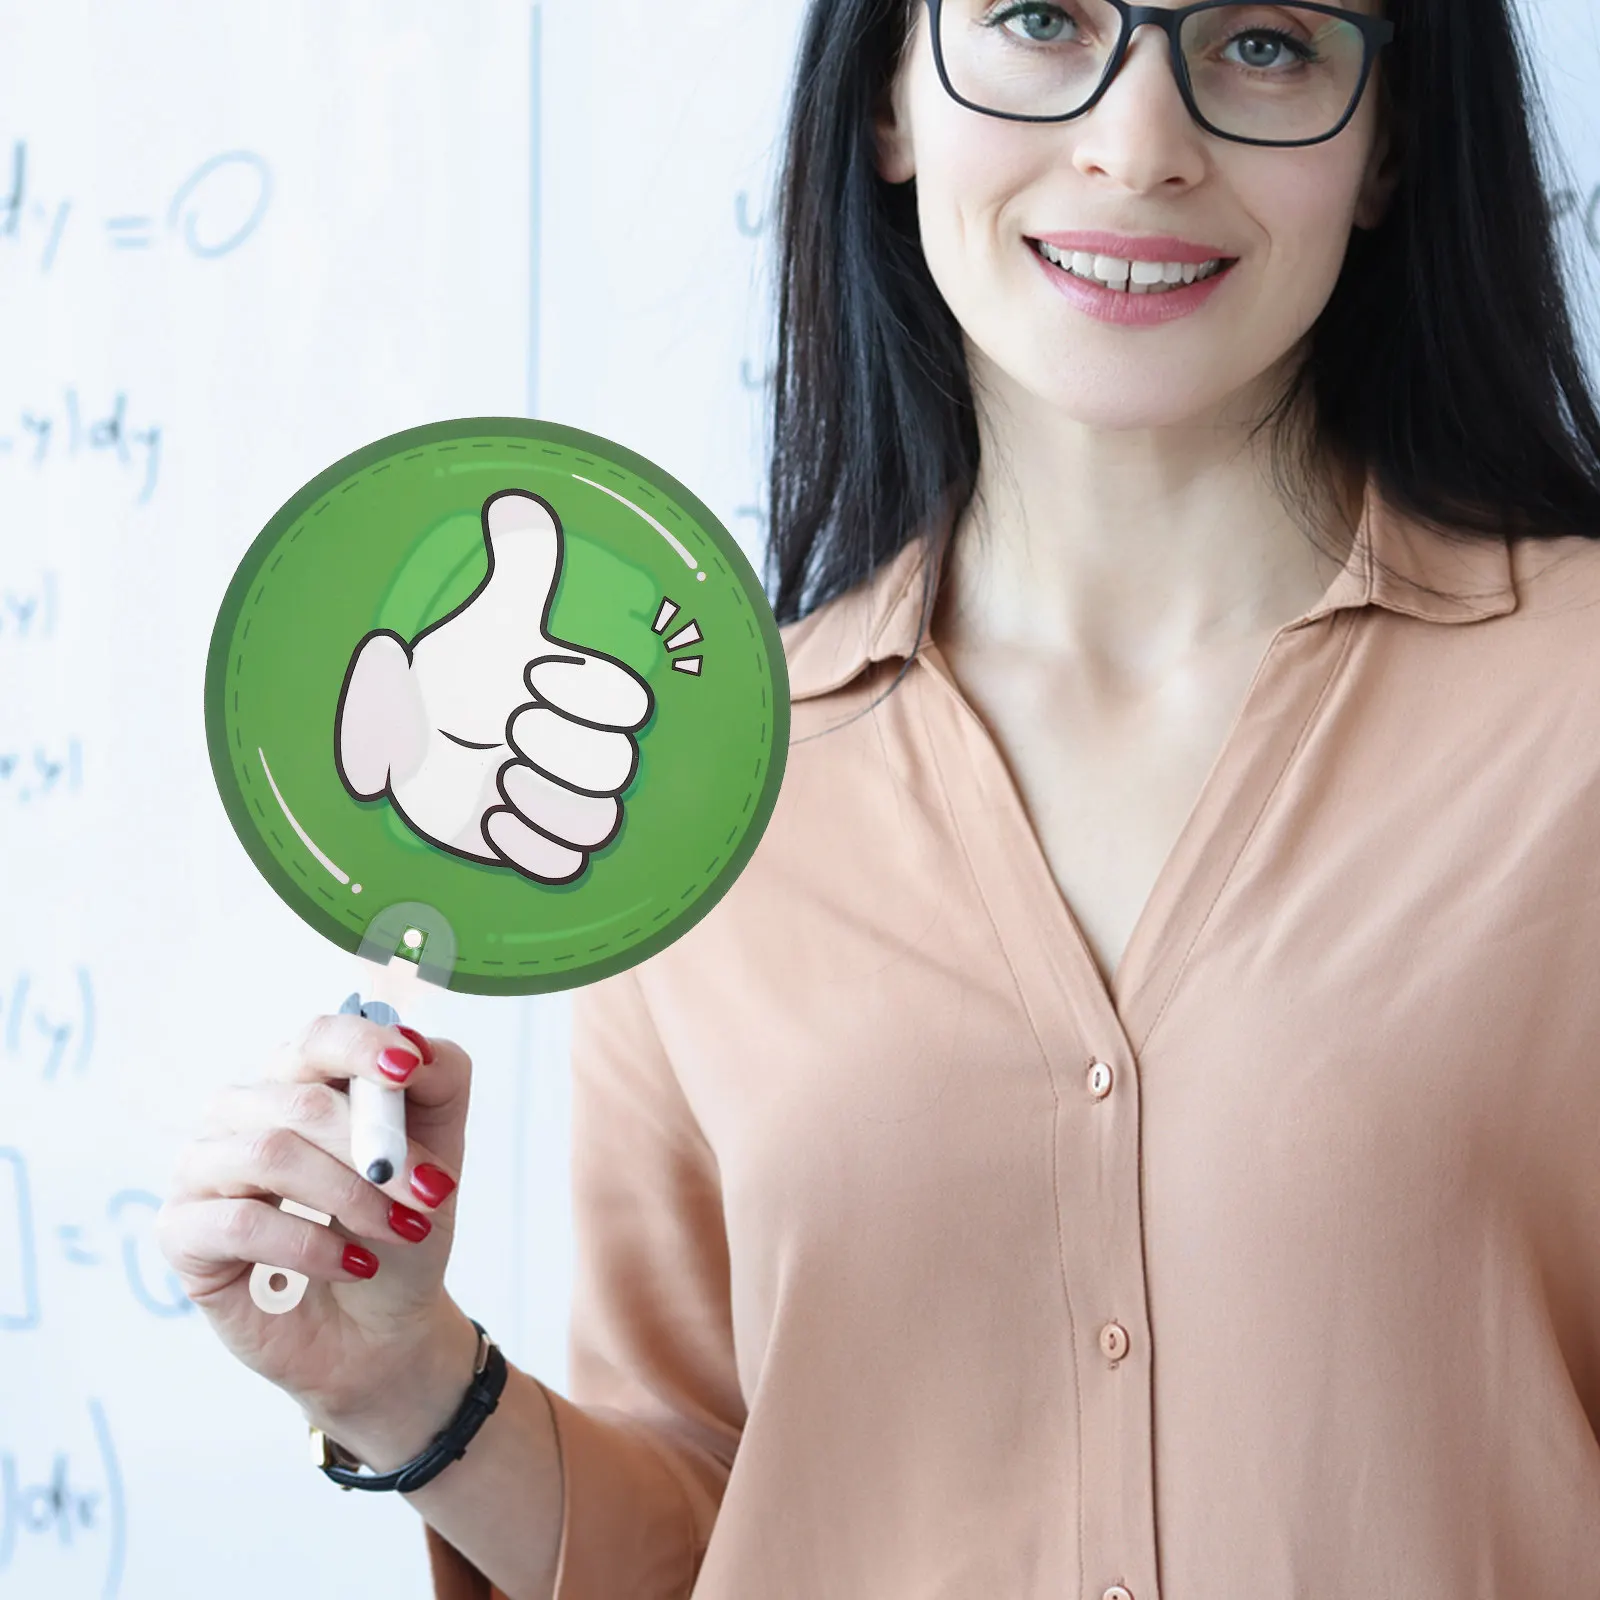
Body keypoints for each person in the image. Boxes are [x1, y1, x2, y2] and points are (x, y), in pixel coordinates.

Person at [158, 0, 1600, 1595]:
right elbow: (715, 1518)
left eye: (1265, 42)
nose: (1138, 146)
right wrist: (404, 1384)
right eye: (1041, 20)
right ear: (889, 105)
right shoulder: (691, 799)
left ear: (1386, 141)